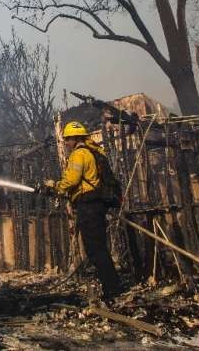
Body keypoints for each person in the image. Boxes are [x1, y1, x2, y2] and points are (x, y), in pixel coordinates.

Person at [44, 120, 122, 300]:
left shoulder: (79, 154)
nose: (67, 143)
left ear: (76, 138)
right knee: (99, 248)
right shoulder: (93, 152)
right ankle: (112, 287)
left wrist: (54, 186)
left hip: (89, 206)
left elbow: (71, 180)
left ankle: (112, 290)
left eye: (68, 140)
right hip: (95, 204)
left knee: (95, 249)